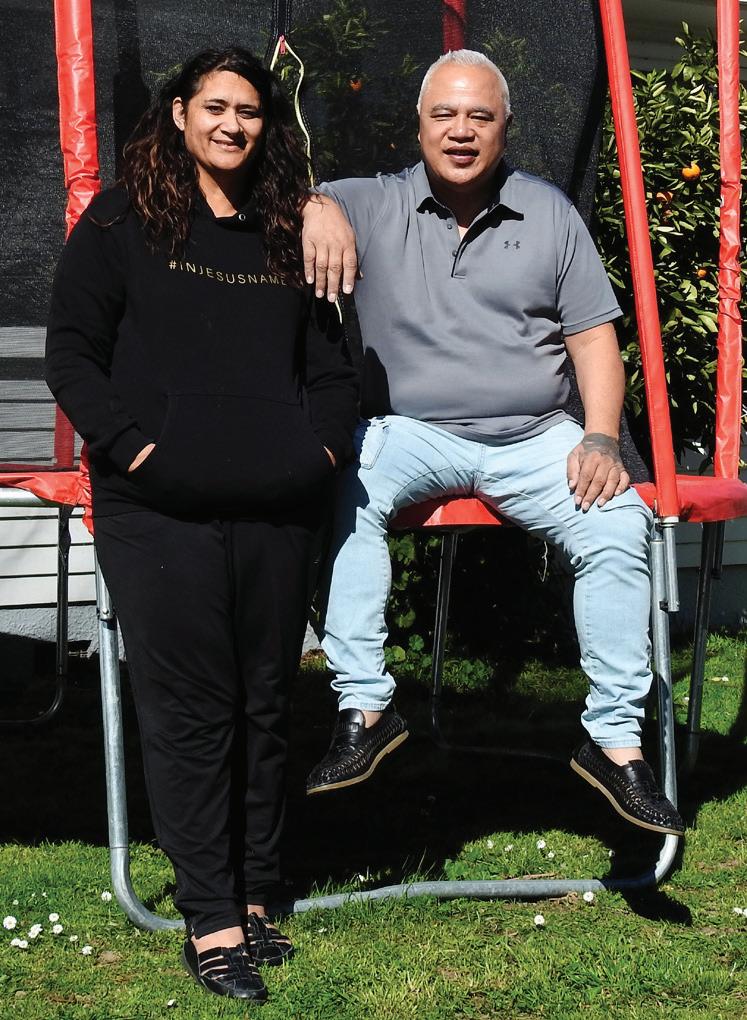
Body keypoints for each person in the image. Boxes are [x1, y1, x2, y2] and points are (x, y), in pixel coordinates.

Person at [301, 50, 684, 838]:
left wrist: (600, 437)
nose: (461, 130)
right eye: (444, 114)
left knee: (618, 523)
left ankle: (613, 742)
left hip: (534, 436)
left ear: (505, 127)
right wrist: (314, 204)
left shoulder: (548, 212)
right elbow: (272, 193)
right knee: (346, 485)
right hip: (409, 432)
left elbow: (592, 339)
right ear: (417, 126)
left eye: (479, 116)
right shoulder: (367, 202)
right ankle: (365, 709)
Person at [45, 47, 358, 1002]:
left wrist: (320, 456)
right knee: (189, 711)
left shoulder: (290, 229)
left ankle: (258, 894)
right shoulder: (120, 222)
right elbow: (72, 354)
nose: (232, 125)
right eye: (215, 107)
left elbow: (334, 366)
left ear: (268, 125)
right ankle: (211, 918)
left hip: (276, 507)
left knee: (265, 705)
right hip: (157, 510)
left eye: (250, 111)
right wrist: (138, 451)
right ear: (179, 113)